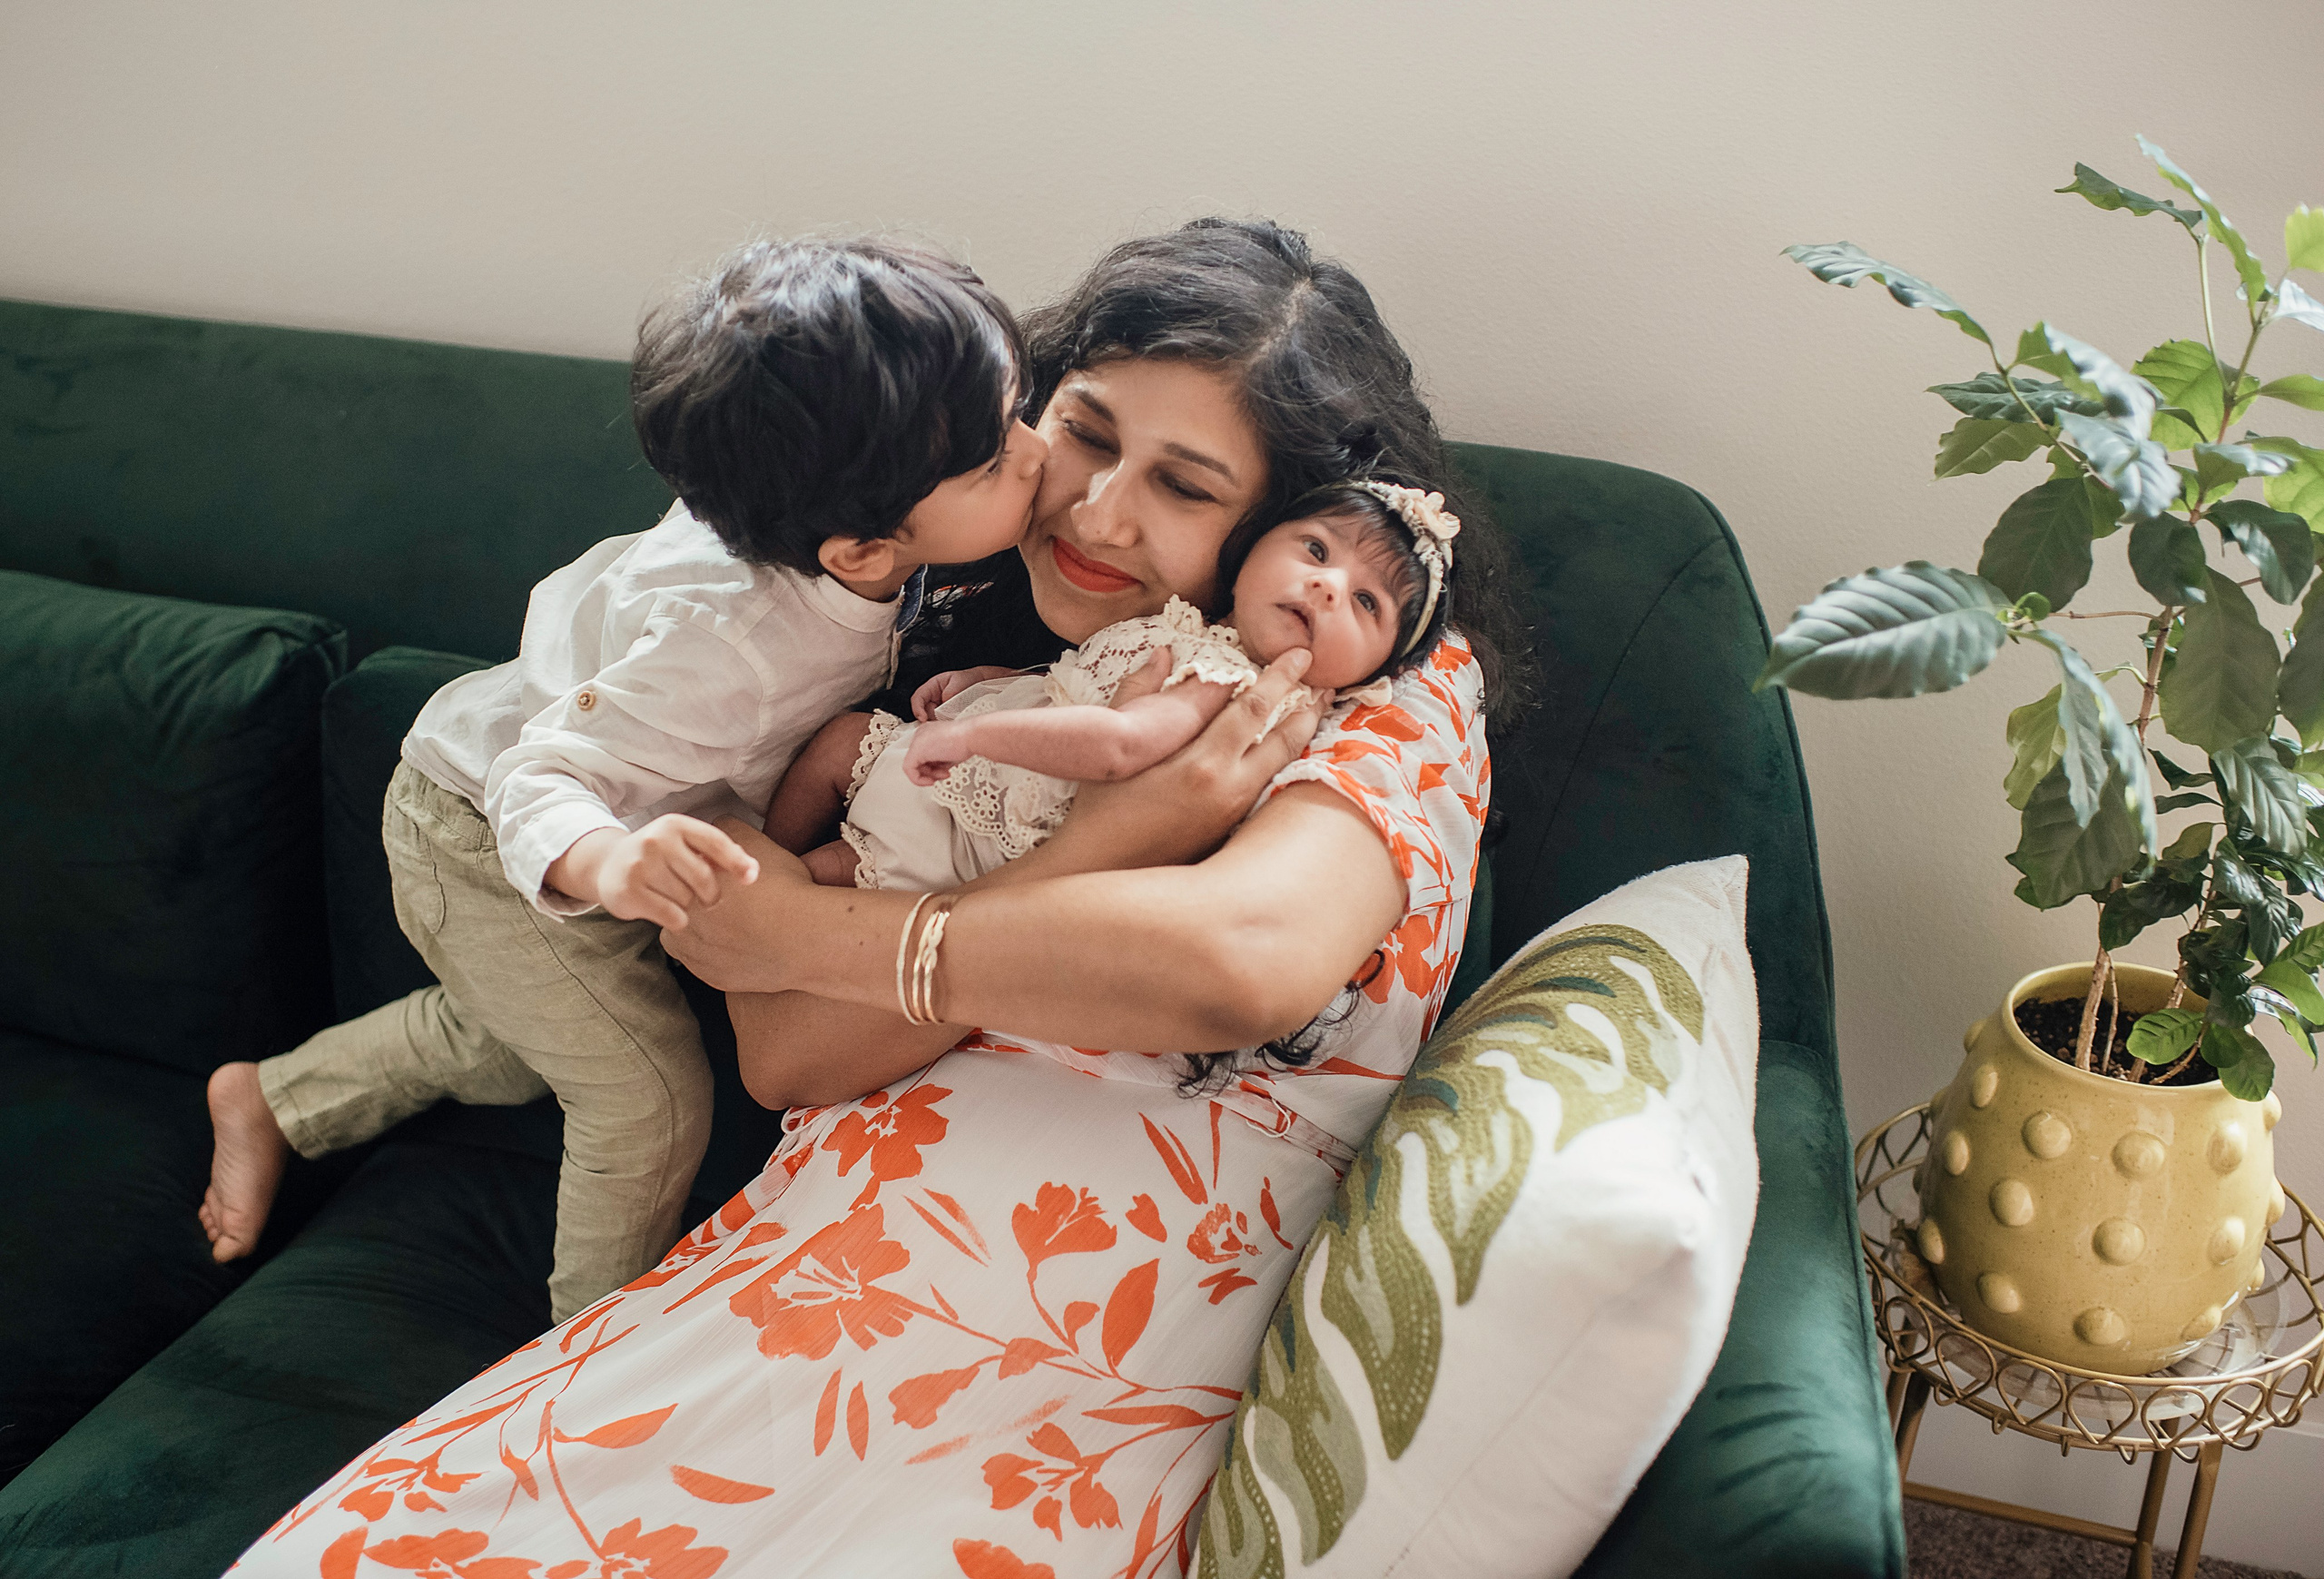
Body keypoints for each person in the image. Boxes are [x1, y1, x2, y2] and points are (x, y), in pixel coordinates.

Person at [227, 218, 1538, 1579]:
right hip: (826, 1260)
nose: (1095, 510)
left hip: (1079, 1332)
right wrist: (1124, 828)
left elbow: (1240, 957)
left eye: (1186, 487)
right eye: (1082, 434)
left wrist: (823, 929)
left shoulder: (1389, 687)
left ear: (1289, 523)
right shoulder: (909, 614)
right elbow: (793, 1048)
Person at [198, 235, 1049, 1323]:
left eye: (1018, 415)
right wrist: (612, 859)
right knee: (644, 1100)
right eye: (993, 460)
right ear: (859, 550)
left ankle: (274, 1096)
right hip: (490, 830)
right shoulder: (729, 641)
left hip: (585, 806)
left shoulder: (809, 493)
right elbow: (540, 774)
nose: (1037, 454)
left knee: (511, 1043)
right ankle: (573, 1357)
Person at [770, 477, 1463, 893]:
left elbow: (1117, 742)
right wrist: (992, 681)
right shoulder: (1192, 629)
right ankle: (758, 859)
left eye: (1368, 603)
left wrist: (974, 730)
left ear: (1376, 673)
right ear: (1256, 543)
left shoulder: (1229, 685)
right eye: (1316, 549)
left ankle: (745, 915)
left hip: (977, 836)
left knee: (827, 877)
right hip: (976, 770)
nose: (1327, 584)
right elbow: (1088, 685)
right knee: (841, 742)